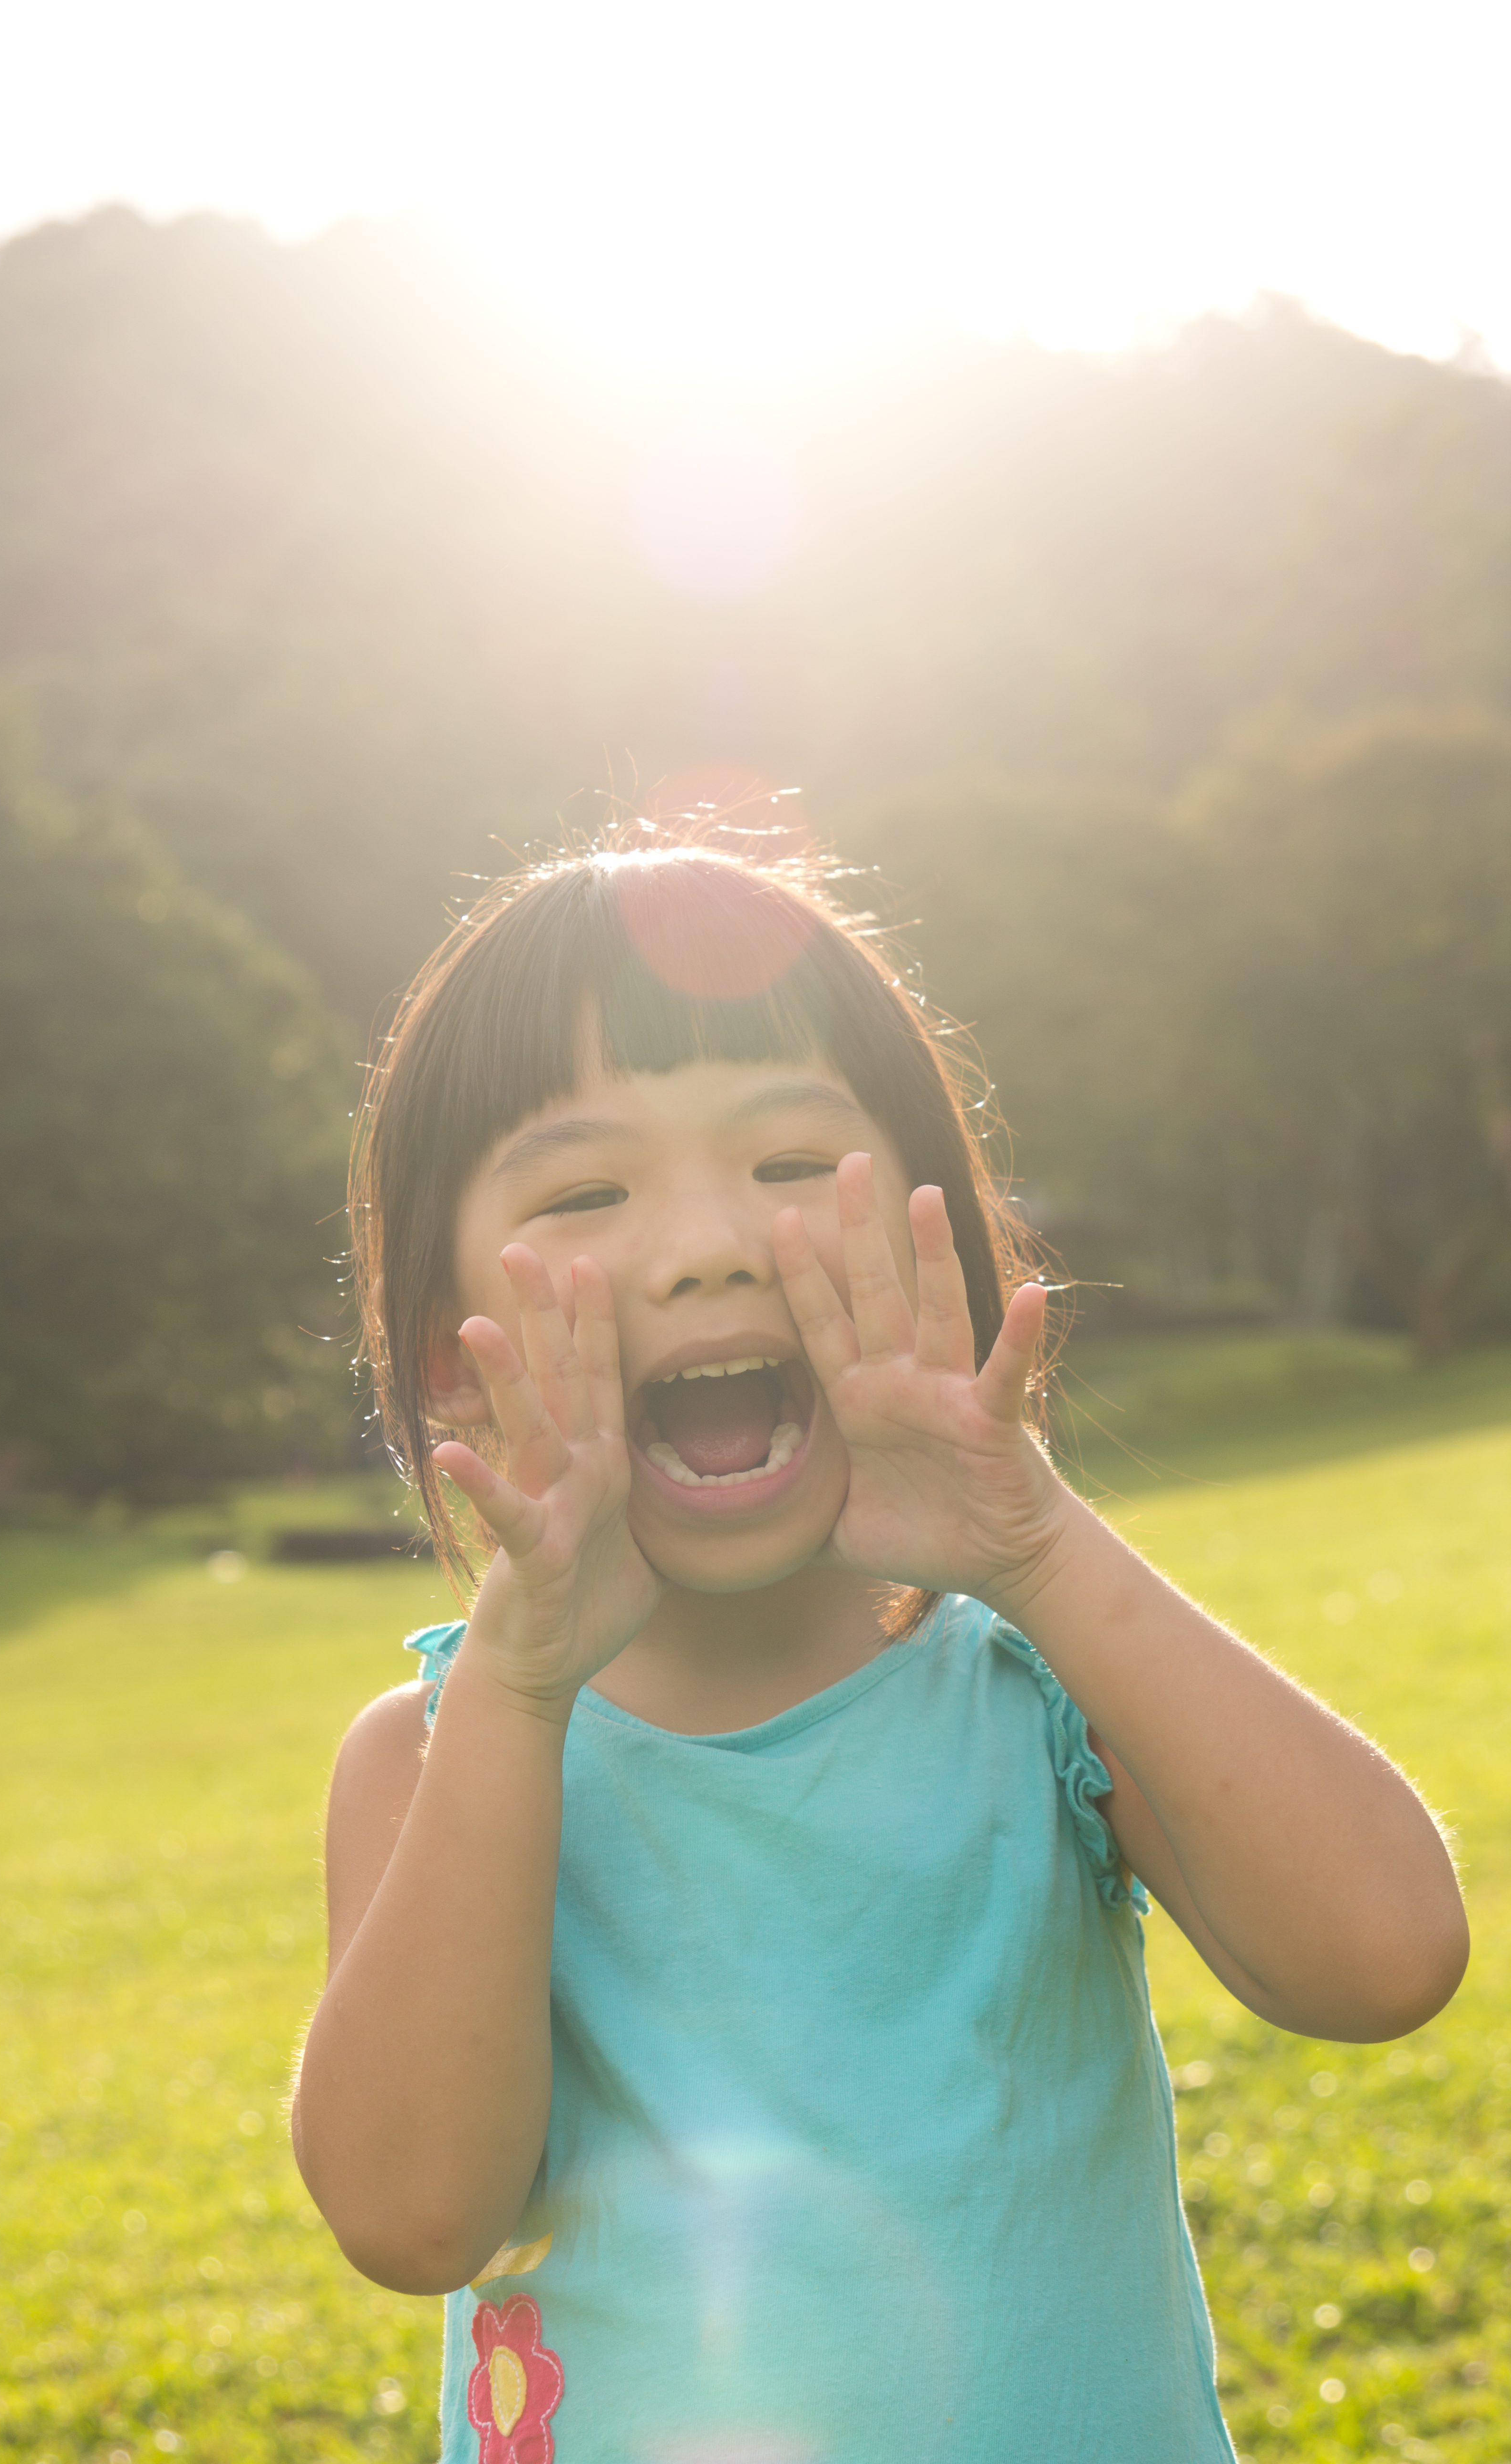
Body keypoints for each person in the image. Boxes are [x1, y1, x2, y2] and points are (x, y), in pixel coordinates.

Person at [291, 833, 1468, 2464]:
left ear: (943, 1254)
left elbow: (1385, 1960)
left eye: (789, 1164)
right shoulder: (437, 1756)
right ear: (446, 1353)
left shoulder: (1032, 1683)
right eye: (585, 1191)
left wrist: (1041, 1549)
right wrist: (514, 1681)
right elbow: (414, 2218)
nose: (709, 1243)